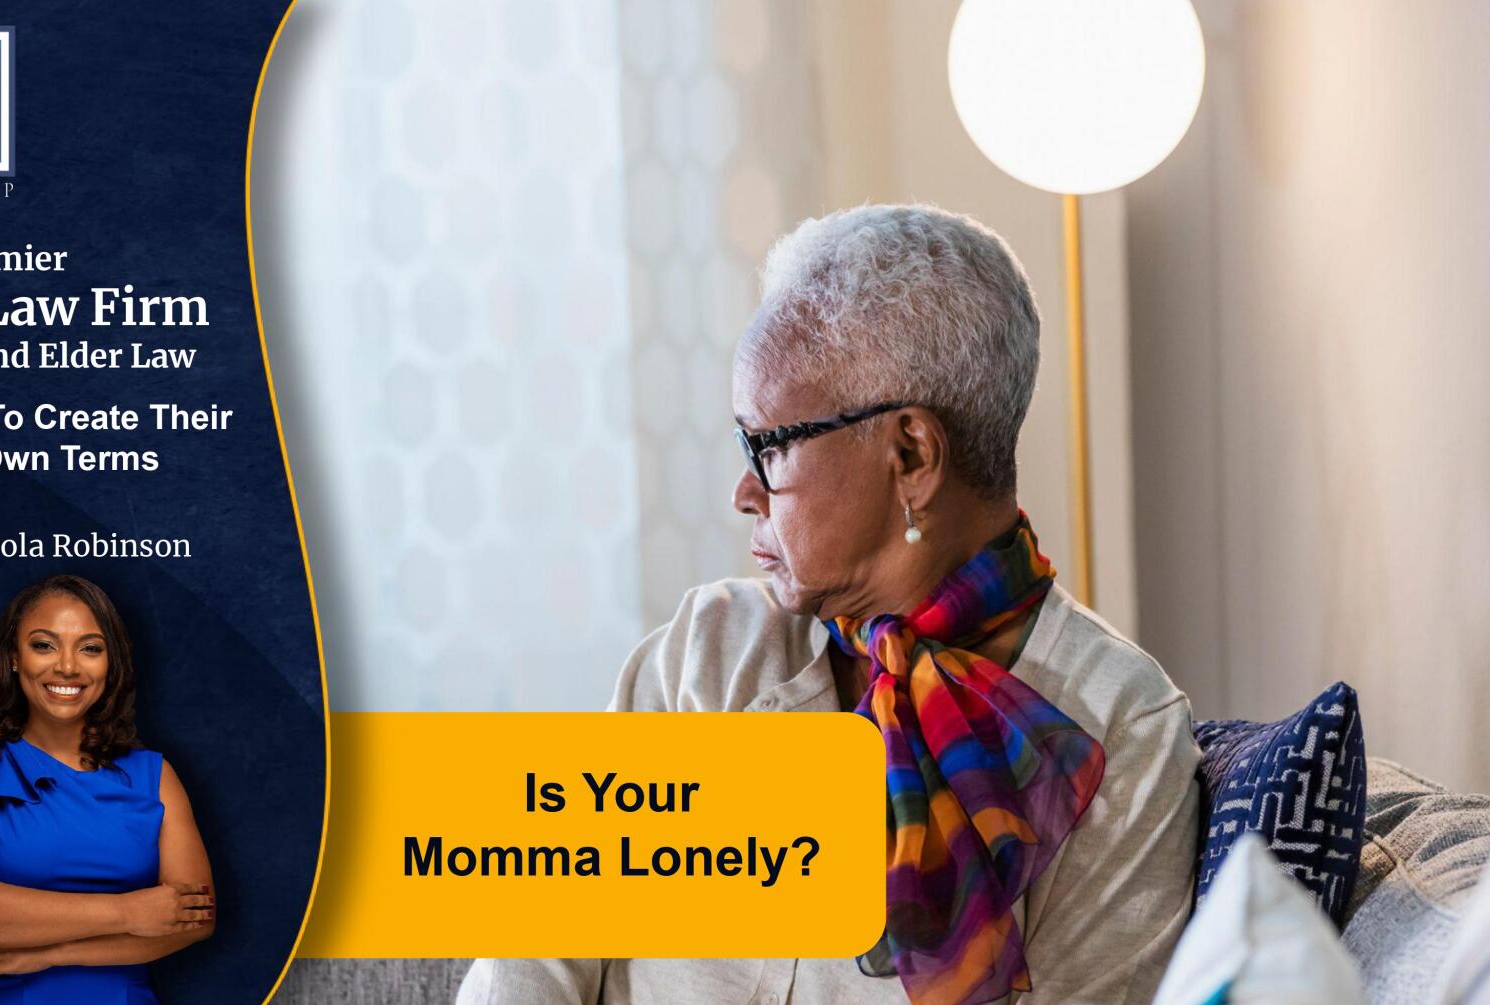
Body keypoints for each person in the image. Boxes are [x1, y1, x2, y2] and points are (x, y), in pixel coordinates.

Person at [460, 205, 1202, 1005]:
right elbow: (526, 968)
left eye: (768, 446)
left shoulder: (1125, 729)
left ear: (912, 454)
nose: (743, 491)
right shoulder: (704, 656)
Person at [0, 574, 216, 1003]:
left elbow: (195, 919)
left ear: (111, 662)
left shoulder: (153, 776)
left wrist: (54, 953)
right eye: (44, 645)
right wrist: (128, 912)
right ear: (12, 656)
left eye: (90, 648)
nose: (67, 666)